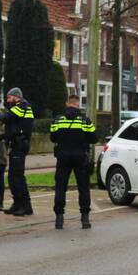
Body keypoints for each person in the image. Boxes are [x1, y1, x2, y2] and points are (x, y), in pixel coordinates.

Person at [50, 94, 97, 229]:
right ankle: (85, 219)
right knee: (83, 188)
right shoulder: (84, 120)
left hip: (62, 157)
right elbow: (94, 138)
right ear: (77, 104)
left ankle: (59, 219)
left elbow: (53, 138)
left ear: (67, 103)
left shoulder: (58, 120)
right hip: (80, 158)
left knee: (60, 188)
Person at [1, 86, 35, 216]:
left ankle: (23, 206)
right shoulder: (19, 107)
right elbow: (13, 128)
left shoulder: (22, 106)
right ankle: (18, 204)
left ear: (16, 97)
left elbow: (6, 117)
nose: (8, 100)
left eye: (10, 97)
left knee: (17, 177)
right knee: (13, 177)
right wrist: (1, 136)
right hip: (16, 145)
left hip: (20, 146)